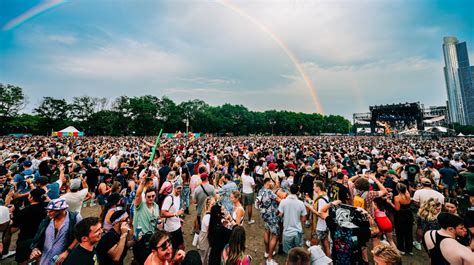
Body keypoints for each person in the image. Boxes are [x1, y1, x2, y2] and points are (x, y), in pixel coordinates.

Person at [30, 198, 82, 265]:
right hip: (45, 258)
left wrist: (67, 251)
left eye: (51, 211)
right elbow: (39, 236)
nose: (48, 213)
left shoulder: (74, 218)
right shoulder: (47, 220)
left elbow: (80, 234)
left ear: (62, 210)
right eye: (48, 211)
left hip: (61, 259)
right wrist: (35, 248)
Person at [10, 188, 47, 265]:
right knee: (39, 255)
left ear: (31, 198)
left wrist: (10, 214)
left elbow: (12, 230)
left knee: (22, 259)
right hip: (42, 237)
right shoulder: (48, 207)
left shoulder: (24, 212)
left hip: (26, 239)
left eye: (29, 195)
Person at [413, 178, 444, 250]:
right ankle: (431, 244)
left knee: (420, 228)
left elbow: (415, 203)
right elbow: (442, 206)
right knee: (433, 231)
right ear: (431, 185)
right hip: (435, 216)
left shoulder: (418, 192)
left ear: (422, 184)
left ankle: (418, 242)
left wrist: (423, 207)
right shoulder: (440, 195)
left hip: (423, 214)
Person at [258, 177, 281, 265]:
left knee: (267, 231)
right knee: (275, 236)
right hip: (272, 216)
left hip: (265, 215)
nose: (273, 183)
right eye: (272, 182)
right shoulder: (269, 192)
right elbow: (280, 200)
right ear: (268, 182)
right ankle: (270, 259)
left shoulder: (261, 190)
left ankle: (267, 252)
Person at [278, 184, 307, 253]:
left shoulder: (283, 202)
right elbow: (304, 219)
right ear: (297, 192)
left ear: (289, 190)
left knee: (289, 254)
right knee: (298, 253)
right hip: (298, 231)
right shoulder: (301, 203)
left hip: (287, 232)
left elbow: (280, 215)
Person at [305, 180, 330, 256]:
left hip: (320, 227)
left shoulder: (321, 199)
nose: (313, 188)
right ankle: (329, 261)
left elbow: (322, 215)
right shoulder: (324, 196)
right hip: (325, 226)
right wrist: (311, 201)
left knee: (312, 246)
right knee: (325, 244)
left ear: (318, 188)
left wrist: (311, 209)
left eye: (314, 186)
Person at [161, 182, 185, 253]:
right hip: (171, 229)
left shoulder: (178, 196)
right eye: (178, 188)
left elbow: (173, 211)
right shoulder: (169, 198)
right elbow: (163, 213)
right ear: (174, 188)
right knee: (173, 249)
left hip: (177, 226)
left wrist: (178, 218)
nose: (179, 190)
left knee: (181, 247)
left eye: (181, 188)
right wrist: (175, 214)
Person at [390, 183, 414, 255]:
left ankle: (401, 249)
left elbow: (397, 209)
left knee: (400, 232)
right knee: (409, 232)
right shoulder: (408, 195)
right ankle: (409, 249)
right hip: (409, 215)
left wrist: (390, 203)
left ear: (398, 189)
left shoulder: (397, 197)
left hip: (400, 216)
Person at [197, 197, 215, 264]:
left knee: (205, 256)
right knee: (203, 257)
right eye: (213, 204)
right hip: (205, 238)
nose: (214, 205)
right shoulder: (207, 216)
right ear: (208, 205)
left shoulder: (207, 213)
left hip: (204, 236)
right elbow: (210, 230)